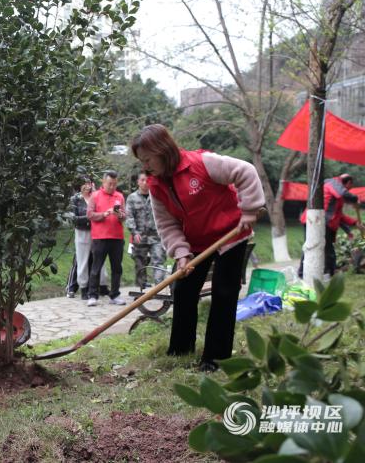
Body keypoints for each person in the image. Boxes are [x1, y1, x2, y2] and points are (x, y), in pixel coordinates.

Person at [131, 124, 265, 372]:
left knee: (224, 294)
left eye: (148, 159)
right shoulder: (156, 185)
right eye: (142, 161)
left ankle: (215, 359)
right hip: (196, 242)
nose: (146, 166)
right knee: (182, 290)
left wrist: (249, 209)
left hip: (230, 235)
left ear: (162, 150)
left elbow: (245, 171)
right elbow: (166, 224)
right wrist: (181, 253)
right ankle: (180, 350)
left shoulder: (203, 163)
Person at [298, 173, 365, 278]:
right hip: (317, 221)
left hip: (320, 221)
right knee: (323, 249)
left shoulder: (336, 195)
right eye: (349, 188)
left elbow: (339, 216)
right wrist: (355, 200)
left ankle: (316, 273)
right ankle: (329, 274)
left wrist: (355, 223)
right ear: (348, 182)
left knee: (314, 247)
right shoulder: (333, 183)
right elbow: (343, 194)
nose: (348, 191)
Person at [86, 170, 127, 306]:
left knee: (117, 268)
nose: (112, 187)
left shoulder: (120, 196)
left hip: (117, 237)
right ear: (103, 182)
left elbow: (125, 217)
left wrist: (120, 215)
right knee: (96, 267)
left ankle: (114, 295)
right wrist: (104, 214)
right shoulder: (95, 196)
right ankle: (92, 295)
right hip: (100, 237)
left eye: (114, 184)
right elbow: (90, 214)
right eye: (110, 183)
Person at [66, 175, 109, 300]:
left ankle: (100, 287)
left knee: (100, 260)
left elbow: (103, 213)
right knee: (82, 261)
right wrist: (90, 217)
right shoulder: (75, 199)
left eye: (89, 182)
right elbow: (73, 219)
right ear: (79, 186)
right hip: (82, 233)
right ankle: (82, 288)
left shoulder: (96, 197)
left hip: (97, 232)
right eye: (83, 183)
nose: (87, 185)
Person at [125, 172, 165, 289]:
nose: (145, 182)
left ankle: (159, 288)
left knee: (158, 261)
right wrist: (134, 232)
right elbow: (129, 216)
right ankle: (141, 289)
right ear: (138, 182)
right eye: (142, 180)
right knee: (140, 263)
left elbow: (164, 214)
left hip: (156, 236)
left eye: (147, 180)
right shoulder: (132, 198)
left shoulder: (157, 196)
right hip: (140, 236)